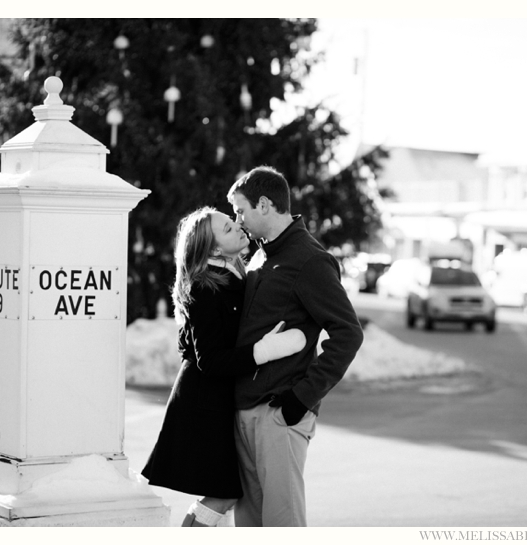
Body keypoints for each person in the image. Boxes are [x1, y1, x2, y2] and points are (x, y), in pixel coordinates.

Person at [141, 207, 306, 527]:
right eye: (228, 229)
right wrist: (263, 350)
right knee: (224, 492)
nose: (239, 228)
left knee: (228, 491)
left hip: (220, 397)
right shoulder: (205, 285)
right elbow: (210, 358)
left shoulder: (235, 271)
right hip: (203, 402)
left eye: (233, 222)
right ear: (214, 248)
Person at [227, 166, 364, 527]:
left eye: (241, 211)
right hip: (244, 410)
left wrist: (301, 399)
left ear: (265, 205)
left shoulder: (310, 260)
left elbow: (348, 333)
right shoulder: (258, 255)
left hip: (279, 414)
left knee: (282, 525)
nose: (237, 221)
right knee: (249, 527)